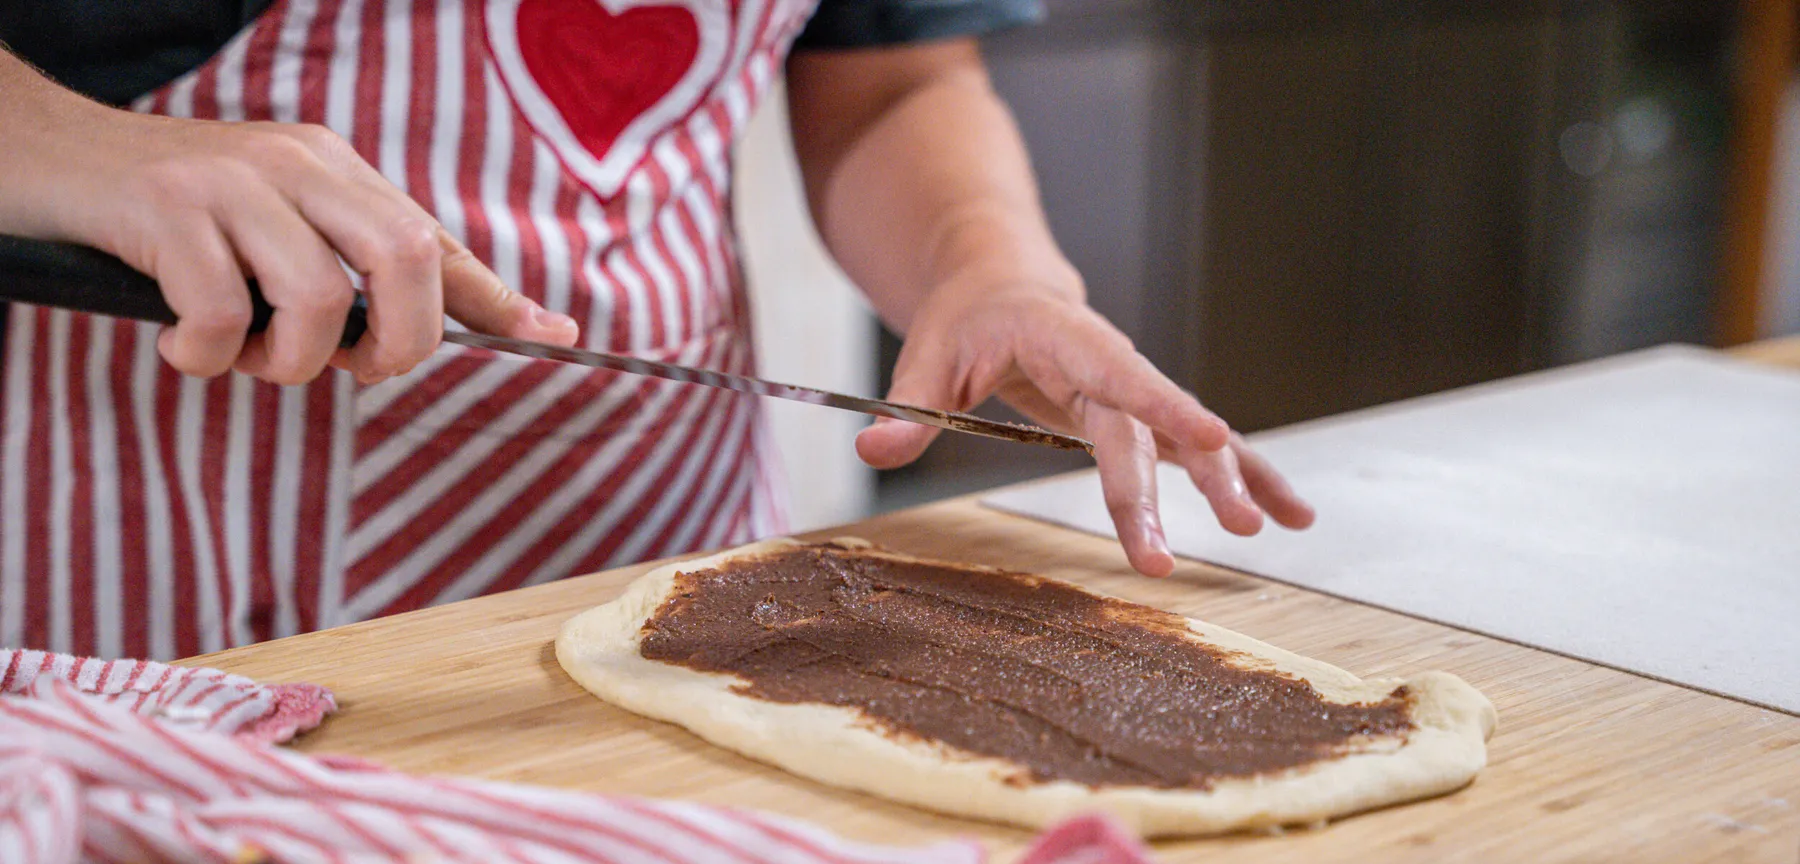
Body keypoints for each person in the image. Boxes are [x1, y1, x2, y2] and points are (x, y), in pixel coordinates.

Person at [0, 0, 1313, 661]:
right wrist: (82, 151)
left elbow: (893, 75)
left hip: (660, 532)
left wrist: (989, 264)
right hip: (145, 568)